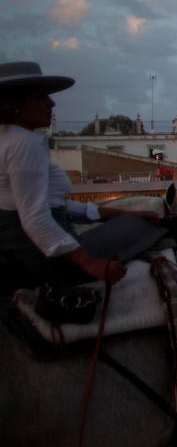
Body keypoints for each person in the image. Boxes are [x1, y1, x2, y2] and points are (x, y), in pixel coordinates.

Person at [0, 62, 128, 293]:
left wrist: (114, 213)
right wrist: (89, 262)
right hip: (38, 255)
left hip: (24, 244)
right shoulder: (23, 144)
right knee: (143, 236)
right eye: (40, 98)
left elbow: (50, 204)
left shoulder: (12, 139)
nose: (52, 103)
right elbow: (35, 218)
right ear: (14, 105)